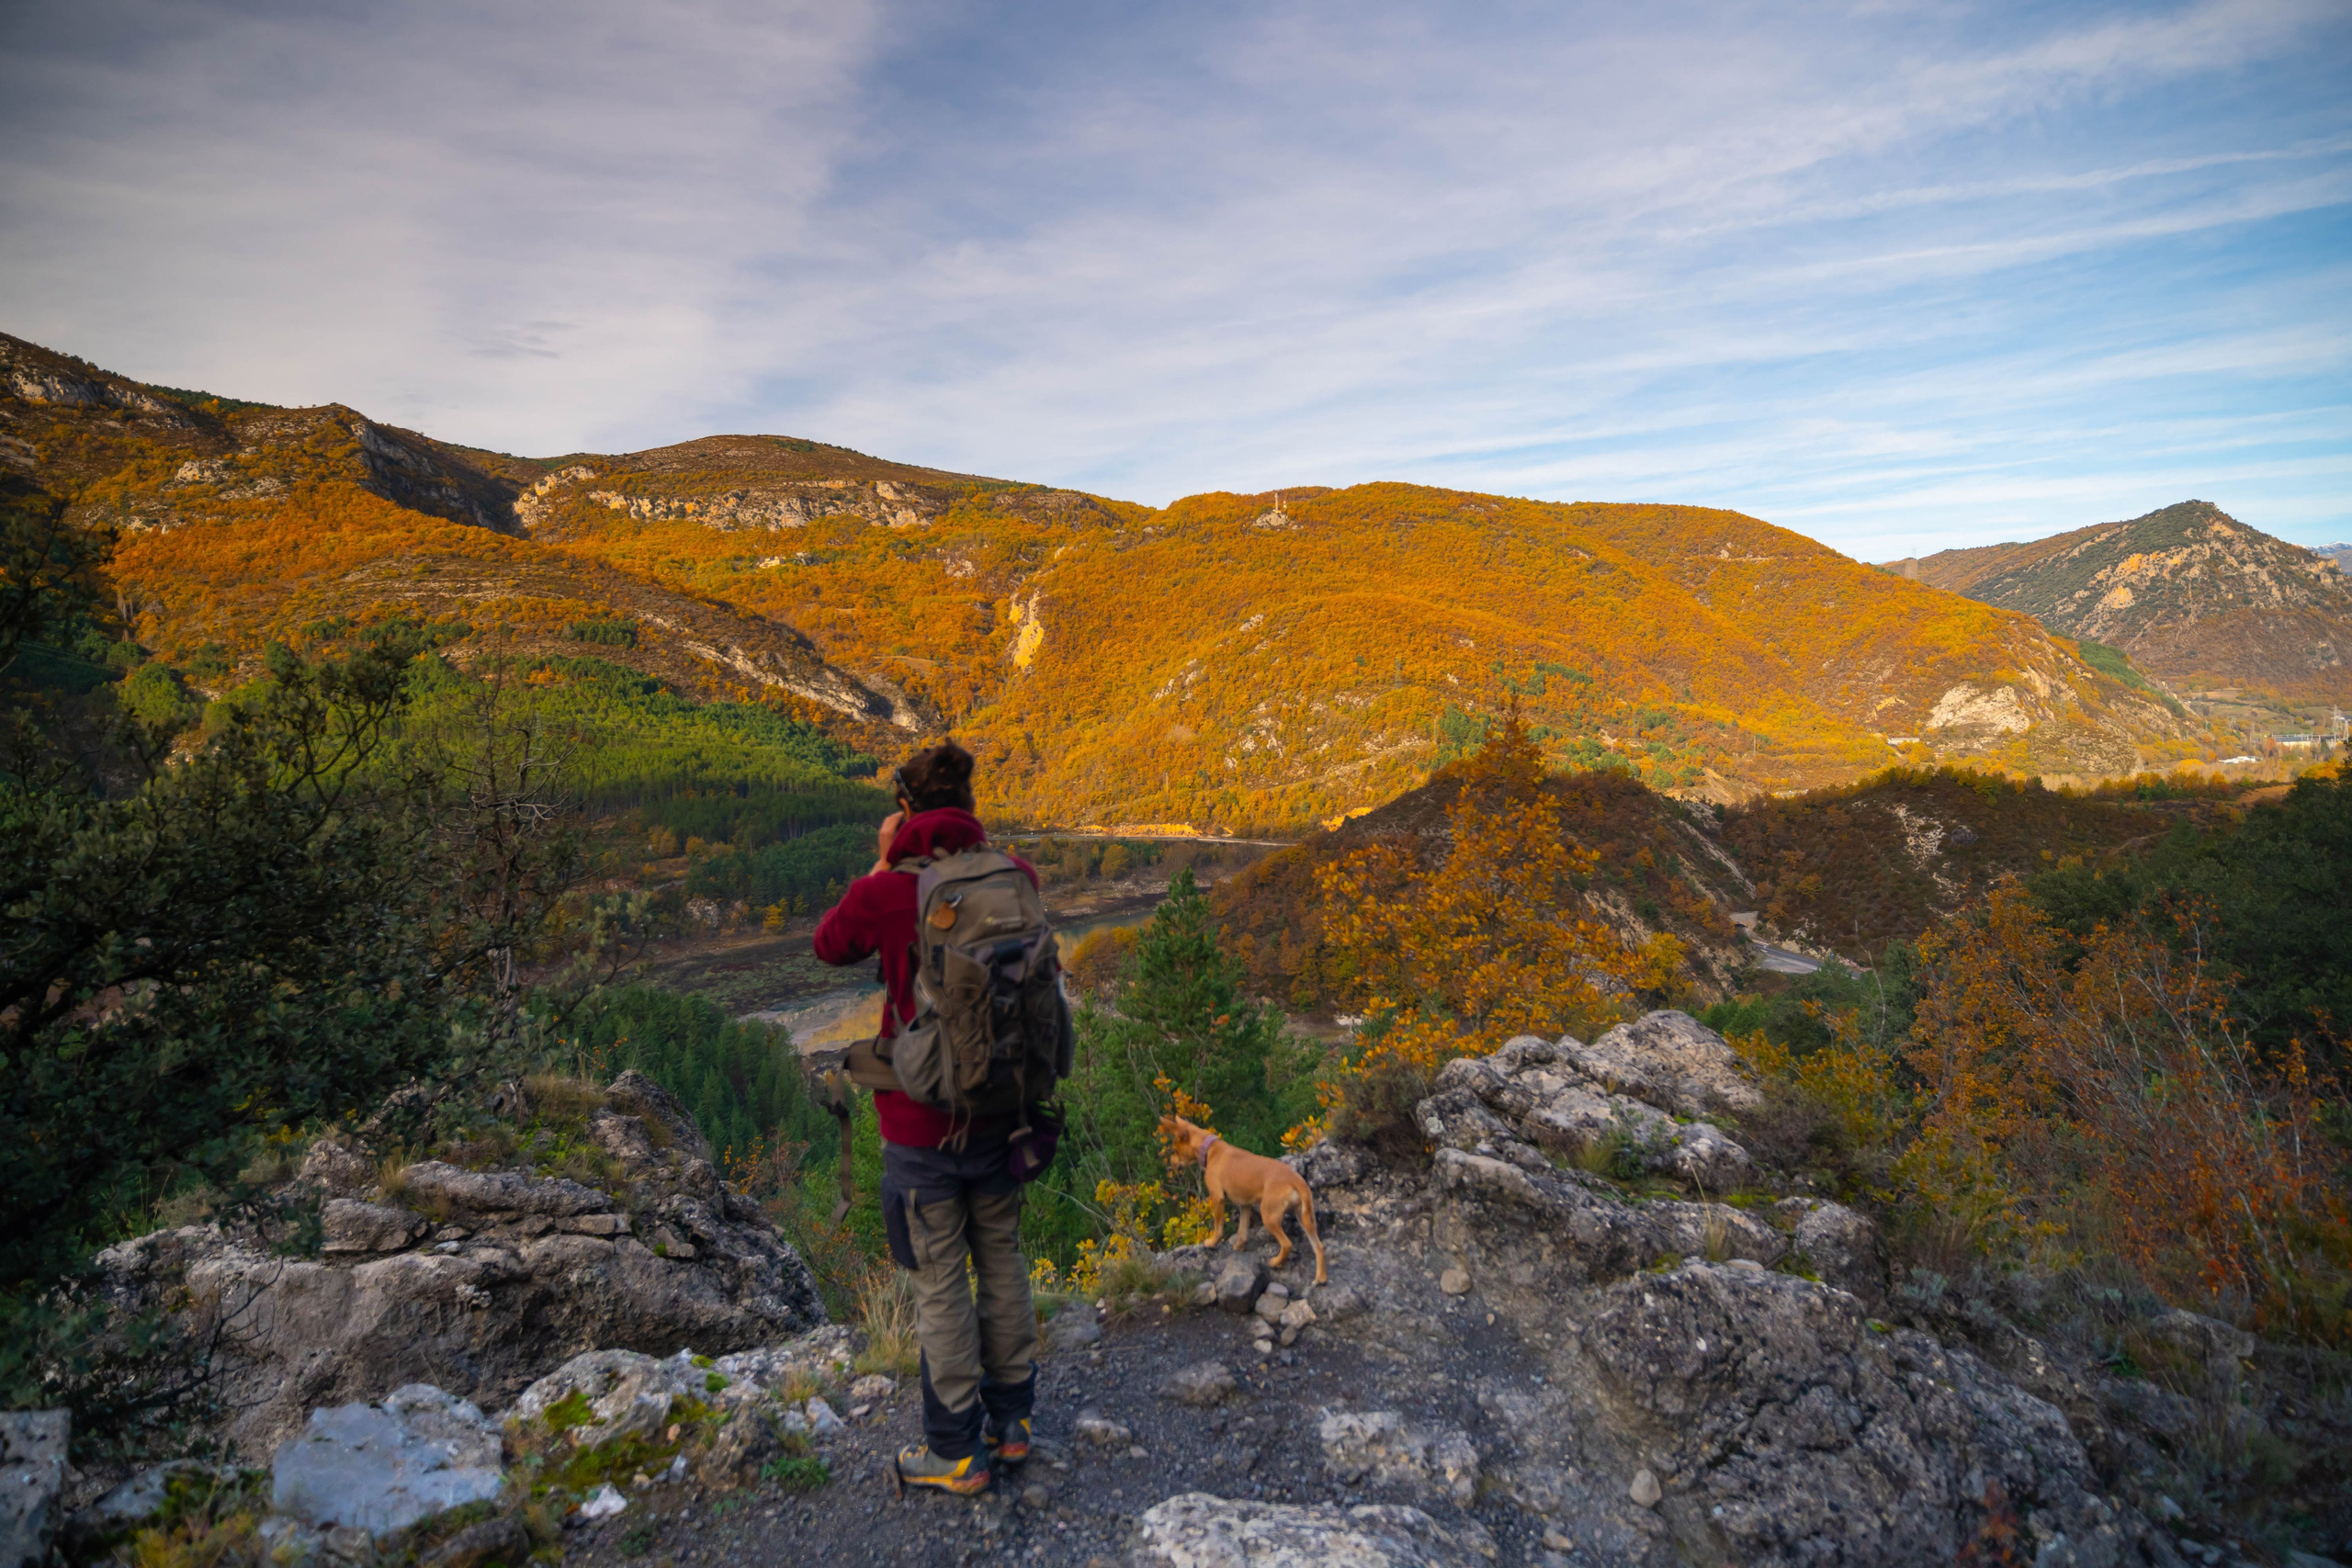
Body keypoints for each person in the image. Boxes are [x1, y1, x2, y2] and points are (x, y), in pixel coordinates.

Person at [811, 740, 1043, 1497]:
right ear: (969, 808)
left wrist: (882, 860)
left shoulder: (890, 892)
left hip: (919, 1127)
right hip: (1004, 1111)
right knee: (1001, 1258)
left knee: (940, 1278)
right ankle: (1013, 1426)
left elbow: (828, 944)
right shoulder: (1015, 877)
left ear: (906, 811)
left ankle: (953, 1448)